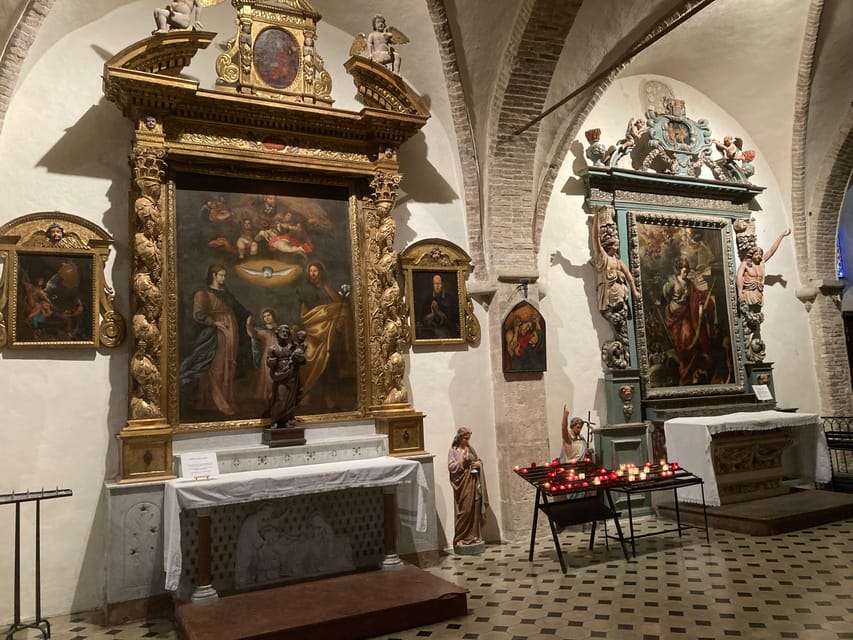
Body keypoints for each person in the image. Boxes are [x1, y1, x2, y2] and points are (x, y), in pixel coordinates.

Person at [179, 264, 251, 416]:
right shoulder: (203, 293)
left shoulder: (226, 293)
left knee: (229, 363)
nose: (224, 278)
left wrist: (249, 316)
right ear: (213, 275)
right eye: (221, 275)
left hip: (231, 329)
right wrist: (216, 323)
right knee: (217, 364)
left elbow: (238, 308)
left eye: (225, 275)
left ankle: (227, 399)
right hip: (217, 331)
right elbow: (198, 314)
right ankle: (215, 401)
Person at [662, 257, 716, 385]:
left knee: (688, 336)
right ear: (678, 270)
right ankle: (683, 366)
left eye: (687, 270)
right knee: (678, 342)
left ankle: (689, 369)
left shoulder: (690, 283)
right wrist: (674, 303)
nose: (685, 273)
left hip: (686, 313)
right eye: (683, 270)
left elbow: (697, 294)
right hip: (674, 314)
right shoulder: (671, 282)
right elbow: (666, 295)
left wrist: (701, 301)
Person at [447, 427, 487, 550]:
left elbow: (478, 461)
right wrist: (462, 462)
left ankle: (474, 536)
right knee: (465, 511)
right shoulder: (453, 451)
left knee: (475, 508)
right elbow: (451, 467)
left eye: (468, 438)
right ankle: (460, 537)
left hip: (474, 482)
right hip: (462, 484)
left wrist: (478, 464)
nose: (467, 441)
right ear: (459, 438)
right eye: (465, 438)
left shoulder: (470, 449)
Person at [737, 229, 791, 311]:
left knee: (756, 313)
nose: (759, 256)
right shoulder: (745, 264)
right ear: (751, 255)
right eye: (756, 254)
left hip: (759, 294)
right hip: (749, 294)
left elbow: (771, 251)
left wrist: (782, 236)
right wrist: (740, 293)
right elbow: (739, 277)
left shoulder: (761, 263)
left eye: (760, 254)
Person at [266, 323, 306, 428]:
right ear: (277, 334)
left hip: (292, 376)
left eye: (287, 332)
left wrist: (299, 358)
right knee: (281, 398)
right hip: (280, 376)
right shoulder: (273, 348)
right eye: (283, 332)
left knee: (290, 400)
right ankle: (275, 420)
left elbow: (302, 360)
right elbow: (269, 362)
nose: (285, 334)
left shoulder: (292, 347)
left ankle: (285, 420)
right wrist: (271, 361)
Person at [246, 308, 279, 402]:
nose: (266, 318)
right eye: (264, 316)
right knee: (268, 377)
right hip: (267, 356)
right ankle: (269, 396)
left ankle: (277, 396)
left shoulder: (281, 329)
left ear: (273, 316)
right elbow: (253, 333)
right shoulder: (262, 331)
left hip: (279, 356)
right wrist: (248, 324)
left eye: (269, 315)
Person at [419, 273, 459, 339]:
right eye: (435, 283)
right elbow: (423, 320)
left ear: (442, 284)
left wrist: (438, 312)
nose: (437, 286)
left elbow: (452, 320)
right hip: (430, 331)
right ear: (433, 285)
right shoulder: (428, 299)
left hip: (447, 331)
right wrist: (433, 313)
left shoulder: (449, 299)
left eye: (439, 283)